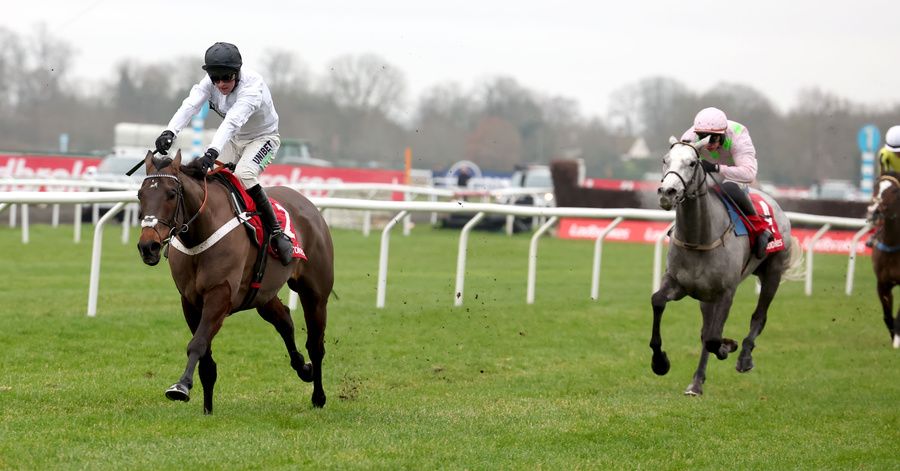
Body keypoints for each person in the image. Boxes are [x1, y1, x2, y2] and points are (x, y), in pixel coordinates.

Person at [153, 42, 293, 265]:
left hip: (263, 139)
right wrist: (170, 131)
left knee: (244, 174)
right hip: (234, 140)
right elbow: (190, 106)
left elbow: (232, 122)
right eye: (215, 78)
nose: (220, 84)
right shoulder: (209, 83)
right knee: (207, 180)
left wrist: (211, 152)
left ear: (237, 72)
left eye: (226, 77)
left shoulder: (252, 87)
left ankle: (277, 232)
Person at [681, 107, 772, 259]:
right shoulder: (689, 137)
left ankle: (760, 230)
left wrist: (717, 168)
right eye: (703, 137)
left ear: (723, 134)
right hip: (708, 173)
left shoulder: (738, 135)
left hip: (736, 175)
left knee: (728, 187)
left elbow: (749, 174)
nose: (708, 143)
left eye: (713, 138)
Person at [866, 125, 900, 247]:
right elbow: (883, 176)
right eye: (895, 151)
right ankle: (876, 232)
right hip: (894, 178)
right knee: (883, 200)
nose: (897, 154)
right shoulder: (884, 154)